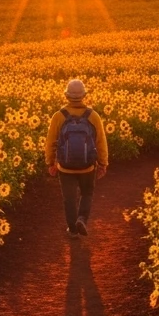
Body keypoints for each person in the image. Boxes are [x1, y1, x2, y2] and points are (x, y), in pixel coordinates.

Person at [45, 78, 108, 236]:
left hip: (65, 167)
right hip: (88, 166)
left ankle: (72, 230)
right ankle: (81, 219)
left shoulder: (59, 116)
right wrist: (103, 163)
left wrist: (50, 163)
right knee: (87, 193)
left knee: (69, 198)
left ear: (67, 96)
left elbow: (50, 142)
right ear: (83, 96)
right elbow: (101, 142)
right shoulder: (93, 116)